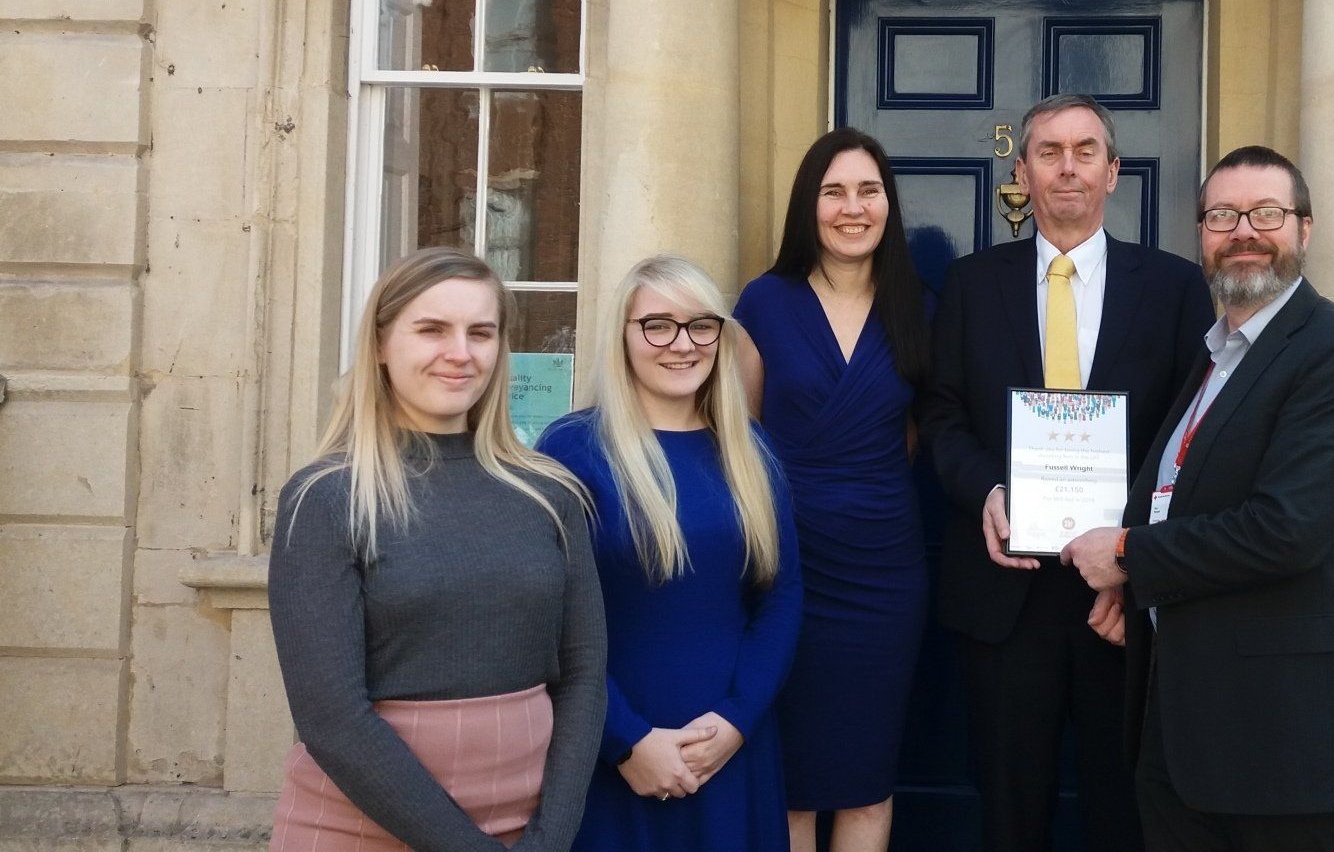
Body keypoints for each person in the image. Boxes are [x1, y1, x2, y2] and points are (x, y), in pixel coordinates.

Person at [1059, 146, 1334, 852]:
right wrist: (1142, 591)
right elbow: (1177, 498)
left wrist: (1128, 556)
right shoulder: (1213, 356)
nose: (1243, 230)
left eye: (1265, 213)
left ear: (1305, 230)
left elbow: (1287, 529)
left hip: (1289, 748)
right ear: (1202, 236)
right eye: (1221, 215)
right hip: (1182, 741)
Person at [919, 94, 1215, 851]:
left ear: (1114, 173)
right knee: (1010, 813)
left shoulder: (1176, 289)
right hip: (1002, 596)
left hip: (1121, 600)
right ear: (1021, 173)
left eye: (1086, 151)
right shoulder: (970, 285)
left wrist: (1140, 565)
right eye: (1048, 152)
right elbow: (942, 416)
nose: (1068, 168)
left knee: (1126, 812)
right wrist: (985, 489)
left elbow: (1193, 442)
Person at [267, 246, 606, 852]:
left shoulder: (551, 493)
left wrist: (552, 836)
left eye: (481, 333)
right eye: (432, 330)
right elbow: (331, 717)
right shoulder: (327, 498)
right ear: (379, 344)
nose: (460, 353)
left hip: (527, 829)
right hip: (361, 827)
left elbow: (583, 677)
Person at [538, 254, 801, 852]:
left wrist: (737, 721)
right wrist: (625, 741)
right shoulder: (572, 450)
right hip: (615, 749)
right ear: (624, 337)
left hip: (731, 744)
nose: (682, 344)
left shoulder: (750, 450)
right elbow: (548, 617)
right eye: (658, 324)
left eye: (701, 325)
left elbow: (782, 596)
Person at [732, 128, 930, 852]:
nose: (853, 208)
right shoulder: (763, 301)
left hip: (884, 571)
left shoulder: (918, 304)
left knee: (867, 781)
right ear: (808, 206)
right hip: (786, 564)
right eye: (834, 192)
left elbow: (915, 433)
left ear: (889, 205)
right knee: (789, 784)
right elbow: (741, 435)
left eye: (869, 191)